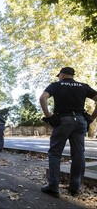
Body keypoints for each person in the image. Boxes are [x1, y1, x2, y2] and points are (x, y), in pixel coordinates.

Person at [39, 67, 97, 198]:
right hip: (80, 120)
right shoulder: (83, 86)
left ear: (62, 75)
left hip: (63, 121)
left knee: (54, 153)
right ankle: (75, 188)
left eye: (59, 75)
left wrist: (48, 116)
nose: (58, 77)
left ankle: (53, 187)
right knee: (78, 154)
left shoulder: (56, 85)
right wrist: (92, 118)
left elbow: (43, 98)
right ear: (72, 75)